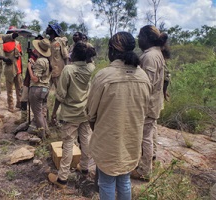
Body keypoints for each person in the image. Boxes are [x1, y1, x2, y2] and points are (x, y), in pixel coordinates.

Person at [87, 32, 151, 200]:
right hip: (132, 140)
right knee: (124, 180)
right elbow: (145, 110)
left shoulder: (104, 76)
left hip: (108, 141)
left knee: (107, 182)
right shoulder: (143, 77)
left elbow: (90, 113)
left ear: (112, 51)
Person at [48, 42, 96, 189]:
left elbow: (60, 94)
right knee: (86, 140)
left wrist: (55, 112)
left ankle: (62, 178)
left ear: (74, 54)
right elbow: (90, 61)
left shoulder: (68, 69)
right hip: (84, 112)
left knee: (68, 143)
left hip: (70, 113)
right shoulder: (90, 68)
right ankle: (85, 167)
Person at [130, 25, 170, 181]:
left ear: (146, 38)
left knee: (145, 136)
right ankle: (151, 157)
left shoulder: (150, 56)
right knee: (151, 130)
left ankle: (144, 170)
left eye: (140, 36)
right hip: (154, 101)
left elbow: (146, 84)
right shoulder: (156, 53)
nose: (138, 39)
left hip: (148, 103)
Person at [15, 34, 44, 124]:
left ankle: (39, 120)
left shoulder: (45, 56)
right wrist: (30, 54)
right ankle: (24, 117)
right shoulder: (34, 52)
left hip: (37, 81)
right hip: (28, 79)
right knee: (24, 98)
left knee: (37, 102)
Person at [26, 38, 51, 139]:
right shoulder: (46, 60)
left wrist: (29, 67)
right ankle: (47, 132)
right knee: (42, 112)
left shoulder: (40, 61)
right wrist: (33, 65)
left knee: (38, 114)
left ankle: (42, 136)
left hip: (37, 89)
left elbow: (35, 78)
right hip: (45, 89)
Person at [3, 26, 23, 113]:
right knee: (14, 88)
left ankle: (16, 104)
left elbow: (20, 56)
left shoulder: (17, 43)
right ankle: (12, 105)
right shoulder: (5, 45)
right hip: (14, 69)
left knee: (14, 88)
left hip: (14, 69)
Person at [45, 23, 69, 88]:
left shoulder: (60, 41)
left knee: (59, 92)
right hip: (48, 72)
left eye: (50, 27)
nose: (47, 28)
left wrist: (66, 71)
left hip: (58, 72)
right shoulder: (47, 42)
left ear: (54, 30)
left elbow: (66, 56)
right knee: (44, 91)